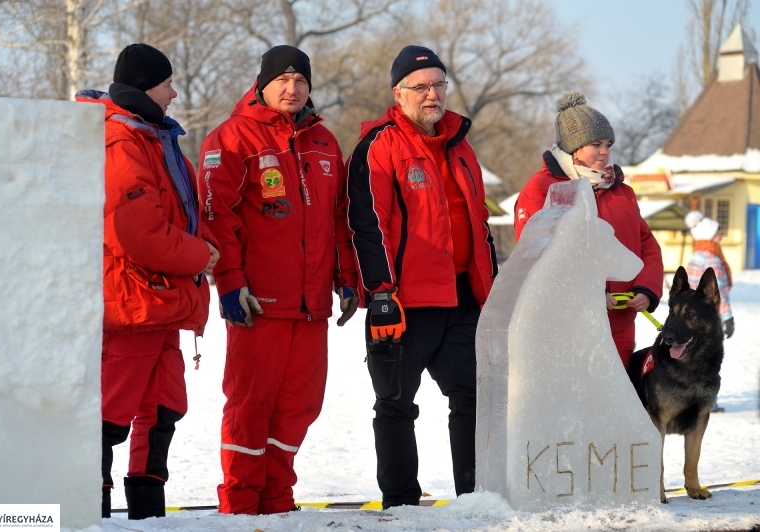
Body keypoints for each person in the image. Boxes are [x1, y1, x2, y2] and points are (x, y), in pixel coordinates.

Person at [198, 45, 358, 515]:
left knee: (301, 405)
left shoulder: (325, 142)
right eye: (283, 80)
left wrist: (347, 277)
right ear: (262, 85)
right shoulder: (232, 138)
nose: (292, 89)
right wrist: (230, 282)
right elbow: (216, 218)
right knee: (251, 405)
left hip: (311, 306)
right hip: (257, 304)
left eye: (301, 81)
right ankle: (240, 504)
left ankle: (276, 499)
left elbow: (339, 218)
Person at [346, 45, 498, 509]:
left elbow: (480, 223)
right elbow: (368, 225)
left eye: (438, 84)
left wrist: (492, 289)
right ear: (398, 93)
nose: (432, 94)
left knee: (473, 398)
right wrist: (381, 294)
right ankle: (400, 504)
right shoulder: (379, 146)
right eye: (421, 87)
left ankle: (475, 499)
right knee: (395, 403)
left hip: (462, 299)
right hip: (404, 303)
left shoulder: (461, 145)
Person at [76, 43, 220, 520]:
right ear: (143, 89)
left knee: (163, 412)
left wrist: (202, 248)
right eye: (167, 85)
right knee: (107, 419)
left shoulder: (153, 137)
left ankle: (148, 514)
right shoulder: (121, 142)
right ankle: (90, 514)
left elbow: (180, 214)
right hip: (133, 304)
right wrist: (201, 255)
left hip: (163, 302)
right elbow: (140, 235)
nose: (174, 94)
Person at [514, 91, 663, 370]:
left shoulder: (623, 193)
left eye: (608, 144)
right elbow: (537, 255)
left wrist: (646, 288)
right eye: (596, 144)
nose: (605, 151)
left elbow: (647, 246)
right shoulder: (542, 189)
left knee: (615, 396)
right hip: (566, 324)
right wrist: (588, 292)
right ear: (574, 148)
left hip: (619, 325)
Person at [685, 210, 734, 412]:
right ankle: (708, 402)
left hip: (691, 317)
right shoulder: (713, 259)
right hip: (709, 318)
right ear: (709, 236)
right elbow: (719, 292)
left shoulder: (695, 256)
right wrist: (728, 317)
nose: (720, 237)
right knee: (710, 358)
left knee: (691, 356)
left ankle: (689, 398)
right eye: (717, 234)